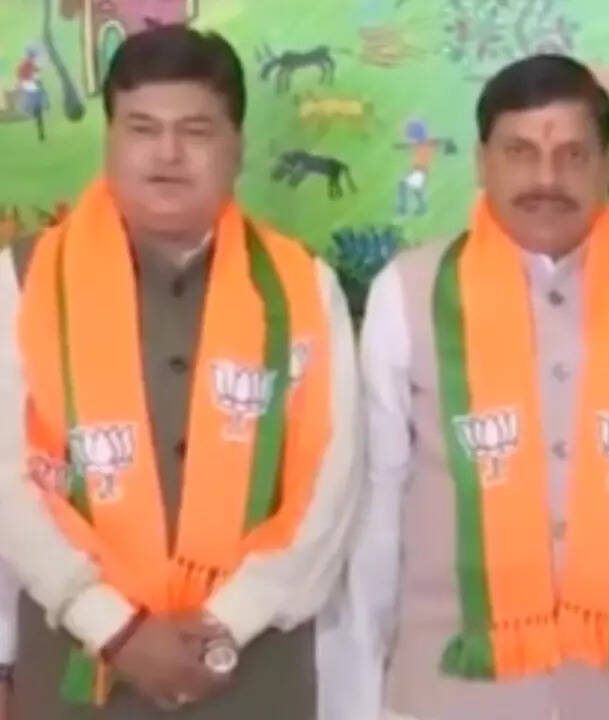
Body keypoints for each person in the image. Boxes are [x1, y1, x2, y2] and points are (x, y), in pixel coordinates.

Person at [317, 54, 609, 720]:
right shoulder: (408, 293)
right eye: (520, 152)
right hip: (445, 695)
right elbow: (377, 509)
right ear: (481, 162)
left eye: (573, 155)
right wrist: (355, 695)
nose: (546, 179)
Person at [0, 25, 360, 719]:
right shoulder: (22, 279)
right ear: (110, 141)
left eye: (196, 131)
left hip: (250, 674)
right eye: (142, 128)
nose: (167, 154)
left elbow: (330, 482)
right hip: (80, 670)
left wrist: (226, 624)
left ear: (237, 147)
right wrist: (115, 629)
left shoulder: (302, 287)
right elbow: (6, 478)